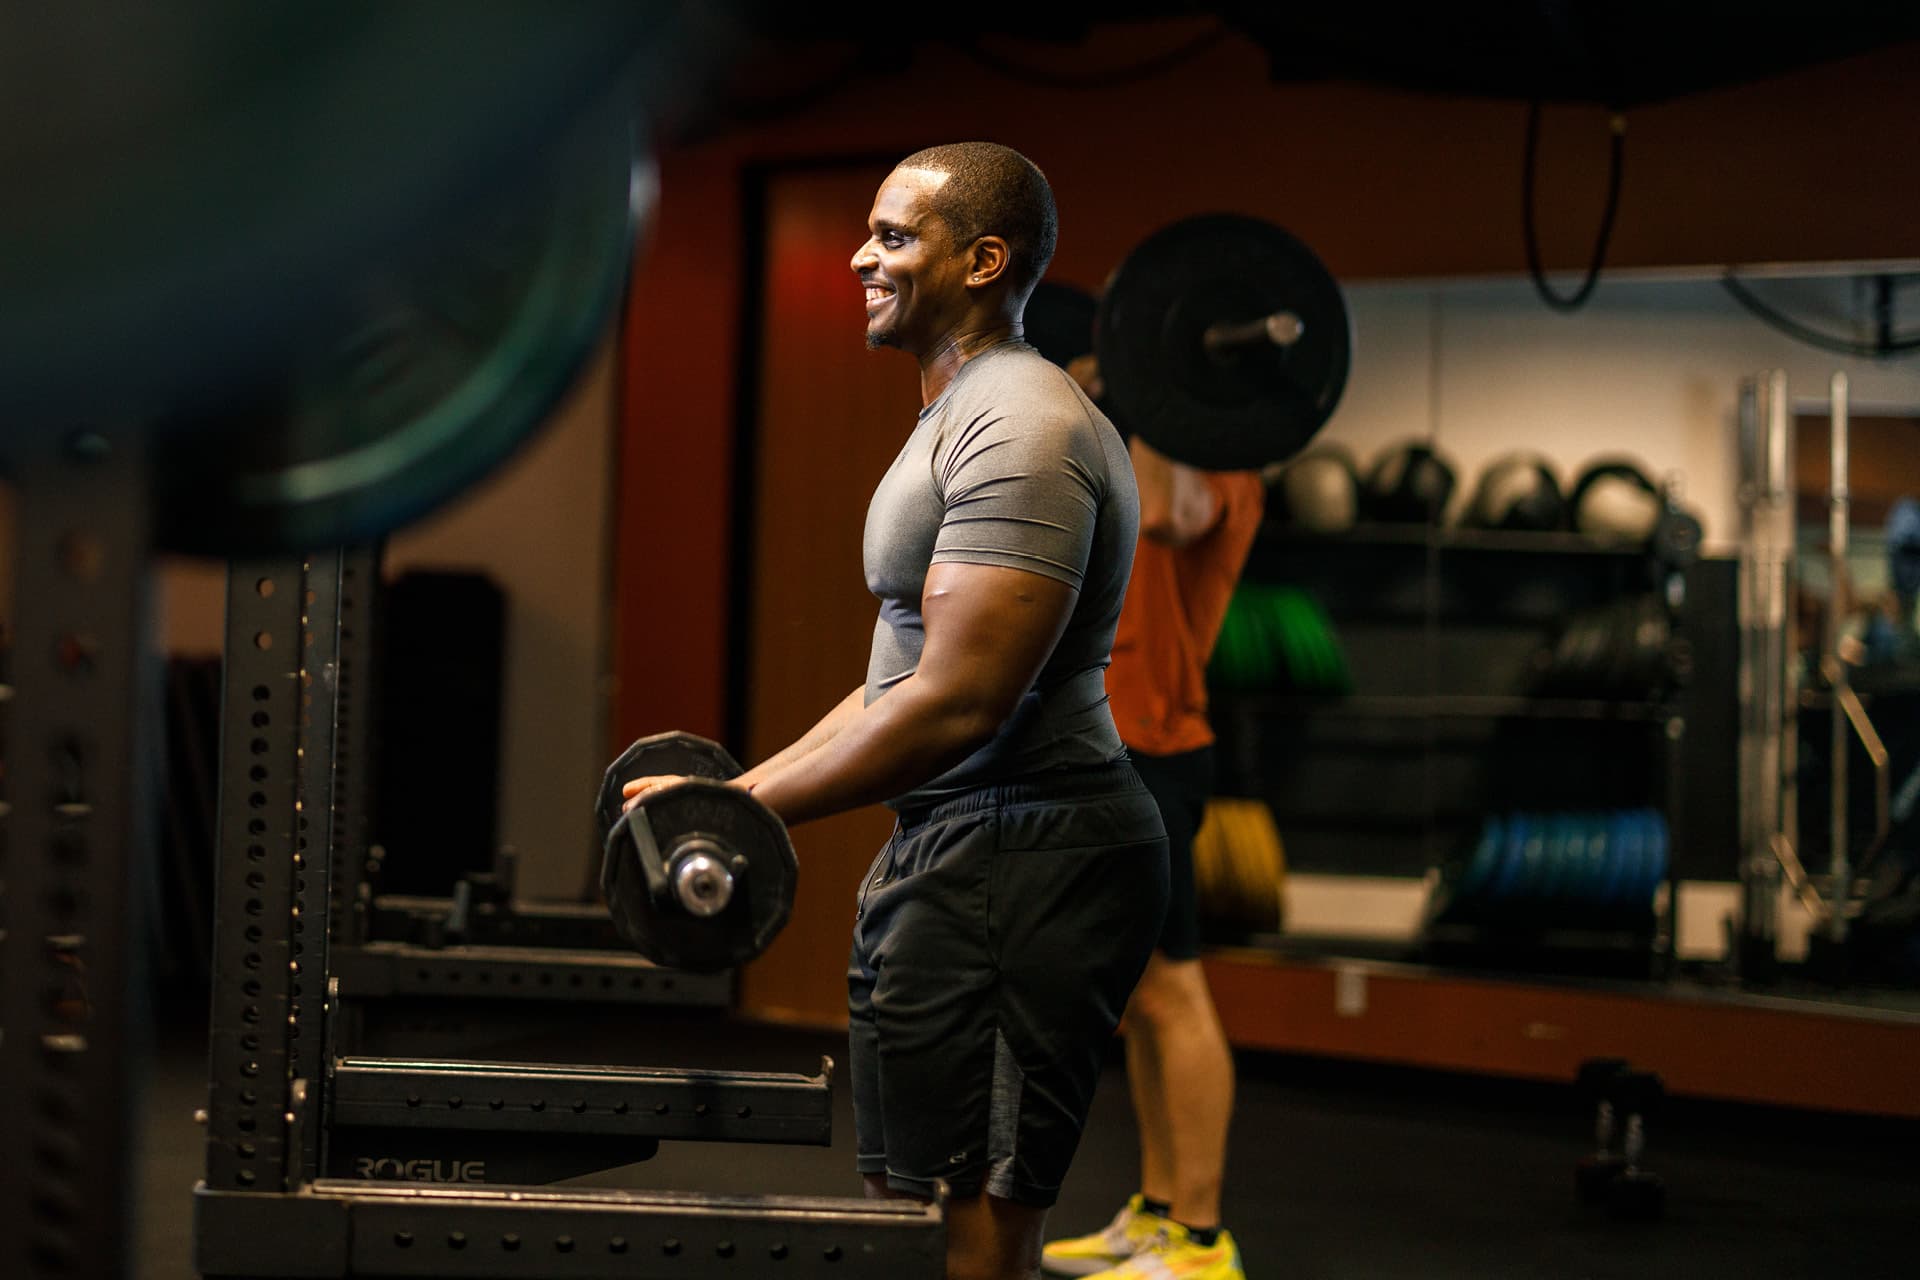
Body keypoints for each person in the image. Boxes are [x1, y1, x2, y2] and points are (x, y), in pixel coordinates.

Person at [625, 142, 1168, 1280]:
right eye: (868, 232)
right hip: (962, 845)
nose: (864, 258)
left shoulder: (1024, 427)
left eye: (895, 237)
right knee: (905, 1203)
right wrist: (729, 800)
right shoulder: (955, 409)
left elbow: (960, 702)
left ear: (983, 259)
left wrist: (731, 808)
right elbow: (901, 683)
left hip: (1026, 852)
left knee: (969, 1230)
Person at [1035, 343, 1263, 1280]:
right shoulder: (1136, 450)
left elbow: (1169, 513)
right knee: (1138, 999)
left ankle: (1202, 1241)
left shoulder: (1219, 466)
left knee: (1175, 991)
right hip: (1109, 745)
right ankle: (1160, 1212)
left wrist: (1137, 391)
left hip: (1159, 753)